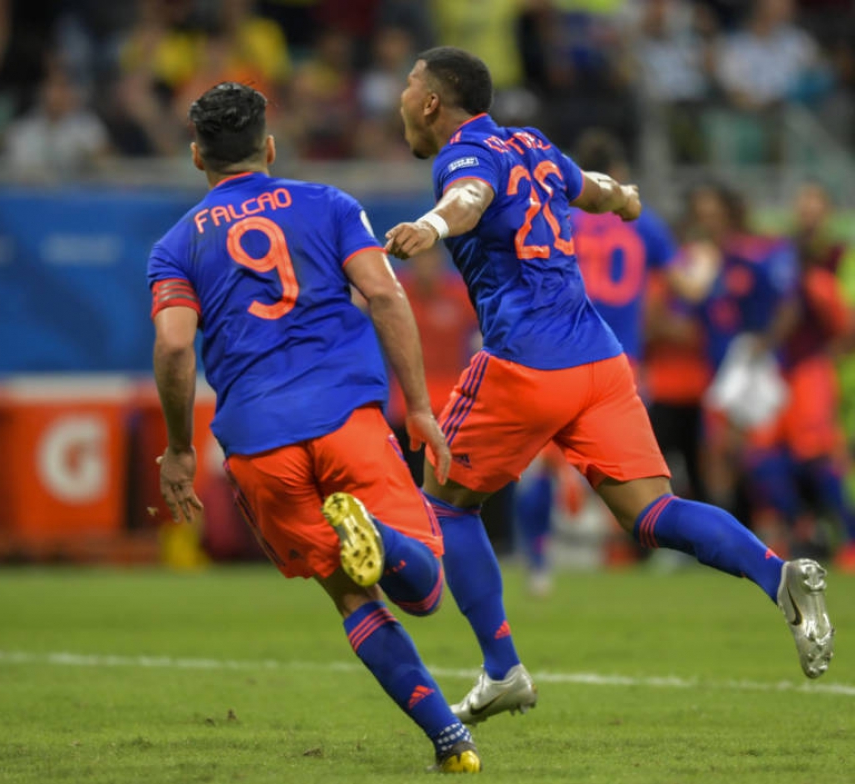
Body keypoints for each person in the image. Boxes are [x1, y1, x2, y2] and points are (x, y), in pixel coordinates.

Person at [385, 47, 834, 726]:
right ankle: (779, 576)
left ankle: (502, 668)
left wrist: (431, 224)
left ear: (430, 103)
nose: (400, 98)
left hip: (525, 362)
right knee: (652, 512)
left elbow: (469, 198)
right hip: (600, 361)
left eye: (407, 86)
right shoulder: (531, 145)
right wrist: (624, 199)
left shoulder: (462, 155)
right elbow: (589, 187)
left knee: (446, 502)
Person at [149, 82, 480, 773]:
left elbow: (176, 346)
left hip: (258, 441)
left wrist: (179, 448)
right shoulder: (329, 205)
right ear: (269, 148)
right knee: (423, 591)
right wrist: (420, 406)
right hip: (344, 415)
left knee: (350, 594)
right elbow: (383, 293)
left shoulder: (176, 246)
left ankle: (450, 739)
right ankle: (379, 534)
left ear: (197, 156)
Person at [513, 128, 680, 591]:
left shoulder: (560, 214)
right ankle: (653, 549)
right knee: (632, 468)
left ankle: (538, 562)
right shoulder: (643, 224)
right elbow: (686, 285)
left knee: (544, 465)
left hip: (558, 356)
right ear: (619, 172)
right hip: (620, 362)